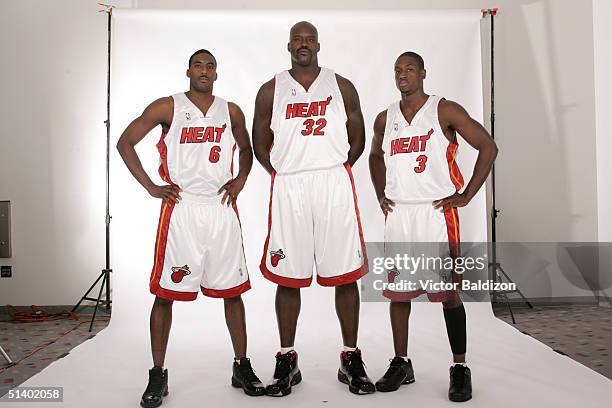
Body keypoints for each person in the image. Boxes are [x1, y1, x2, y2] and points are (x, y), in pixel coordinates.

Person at [116, 49, 265, 407]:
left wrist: (241, 179)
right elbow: (125, 142)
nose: (204, 71)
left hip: (220, 207)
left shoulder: (230, 110)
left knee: (233, 291)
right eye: (198, 65)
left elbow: (247, 149)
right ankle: (157, 374)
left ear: (217, 73)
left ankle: (241, 365)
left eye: (210, 66)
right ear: (188, 71)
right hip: (182, 209)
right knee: (166, 293)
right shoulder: (168, 106)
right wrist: (152, 187)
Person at [252, 21, 374, 396]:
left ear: (318, 44)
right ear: (289, 44)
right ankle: (287, 358)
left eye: (309, 39)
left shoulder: (341, 85)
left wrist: (331, 165)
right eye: (298, 39)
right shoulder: (271, 89)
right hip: (290, 184)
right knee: (287, 275)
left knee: (345, 273)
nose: (303, 45)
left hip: (333, 182)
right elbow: (260, 143)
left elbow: (359, 139)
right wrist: (286, 171)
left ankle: (350, 357)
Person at [368, 51, 498, 402]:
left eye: (409, 68)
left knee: (448, 294)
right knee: (399, 294)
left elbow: (488, 146)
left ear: (423, 72)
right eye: (397, 70)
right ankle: (401, 362)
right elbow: (375, 156)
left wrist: (467, 195)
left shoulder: (445, 110)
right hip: (400, 216)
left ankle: (460, 367)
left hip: (436, 214)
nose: (403, 74)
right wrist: (381, 193)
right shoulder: (385, 118)